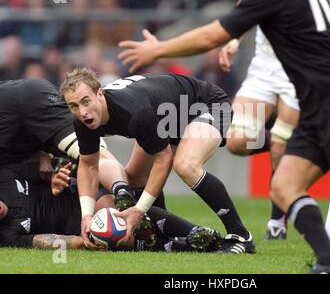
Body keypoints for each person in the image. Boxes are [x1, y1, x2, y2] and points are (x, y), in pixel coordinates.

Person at [112, 0, 330, 273]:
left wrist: (158, 49)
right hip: (327, 98)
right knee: (285, 187)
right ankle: (329, 264)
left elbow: (212, 35)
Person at [215, 0, 330, 240]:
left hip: (302, 66)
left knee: (282, 144)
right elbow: (248, 1)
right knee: (236, 141)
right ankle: (293, 146)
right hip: (265, 66)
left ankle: (277, 221)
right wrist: (233, 39)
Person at [60, 68, 255, 254]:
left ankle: (240, 236)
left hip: (206, 104)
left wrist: (139, 210)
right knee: (135, 179)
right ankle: (163, 235)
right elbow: (89, 165)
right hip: (166, 118)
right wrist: (86, 215)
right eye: (74, 106)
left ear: (100, 94)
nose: (82, 111)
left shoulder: (135, 113)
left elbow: (163, 160)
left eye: (86, 101)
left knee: (185, 165)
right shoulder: (82, 121)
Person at [0, 77, 157, 215]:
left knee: (92, 157)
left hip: (29, 101)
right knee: (89, 175)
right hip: (27, 114)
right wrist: (40, 156)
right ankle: (136, 204)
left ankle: (125, 194)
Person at [0, 156, 222, 253]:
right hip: (75, 226)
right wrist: (82, 242)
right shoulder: (6, 236)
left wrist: (57, 177)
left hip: (82, 195)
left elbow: (48, 167)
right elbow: (48, 241)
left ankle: (193, 233)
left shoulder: (5, 177)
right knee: (107, 229)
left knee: (113, 212)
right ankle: (192, 242)